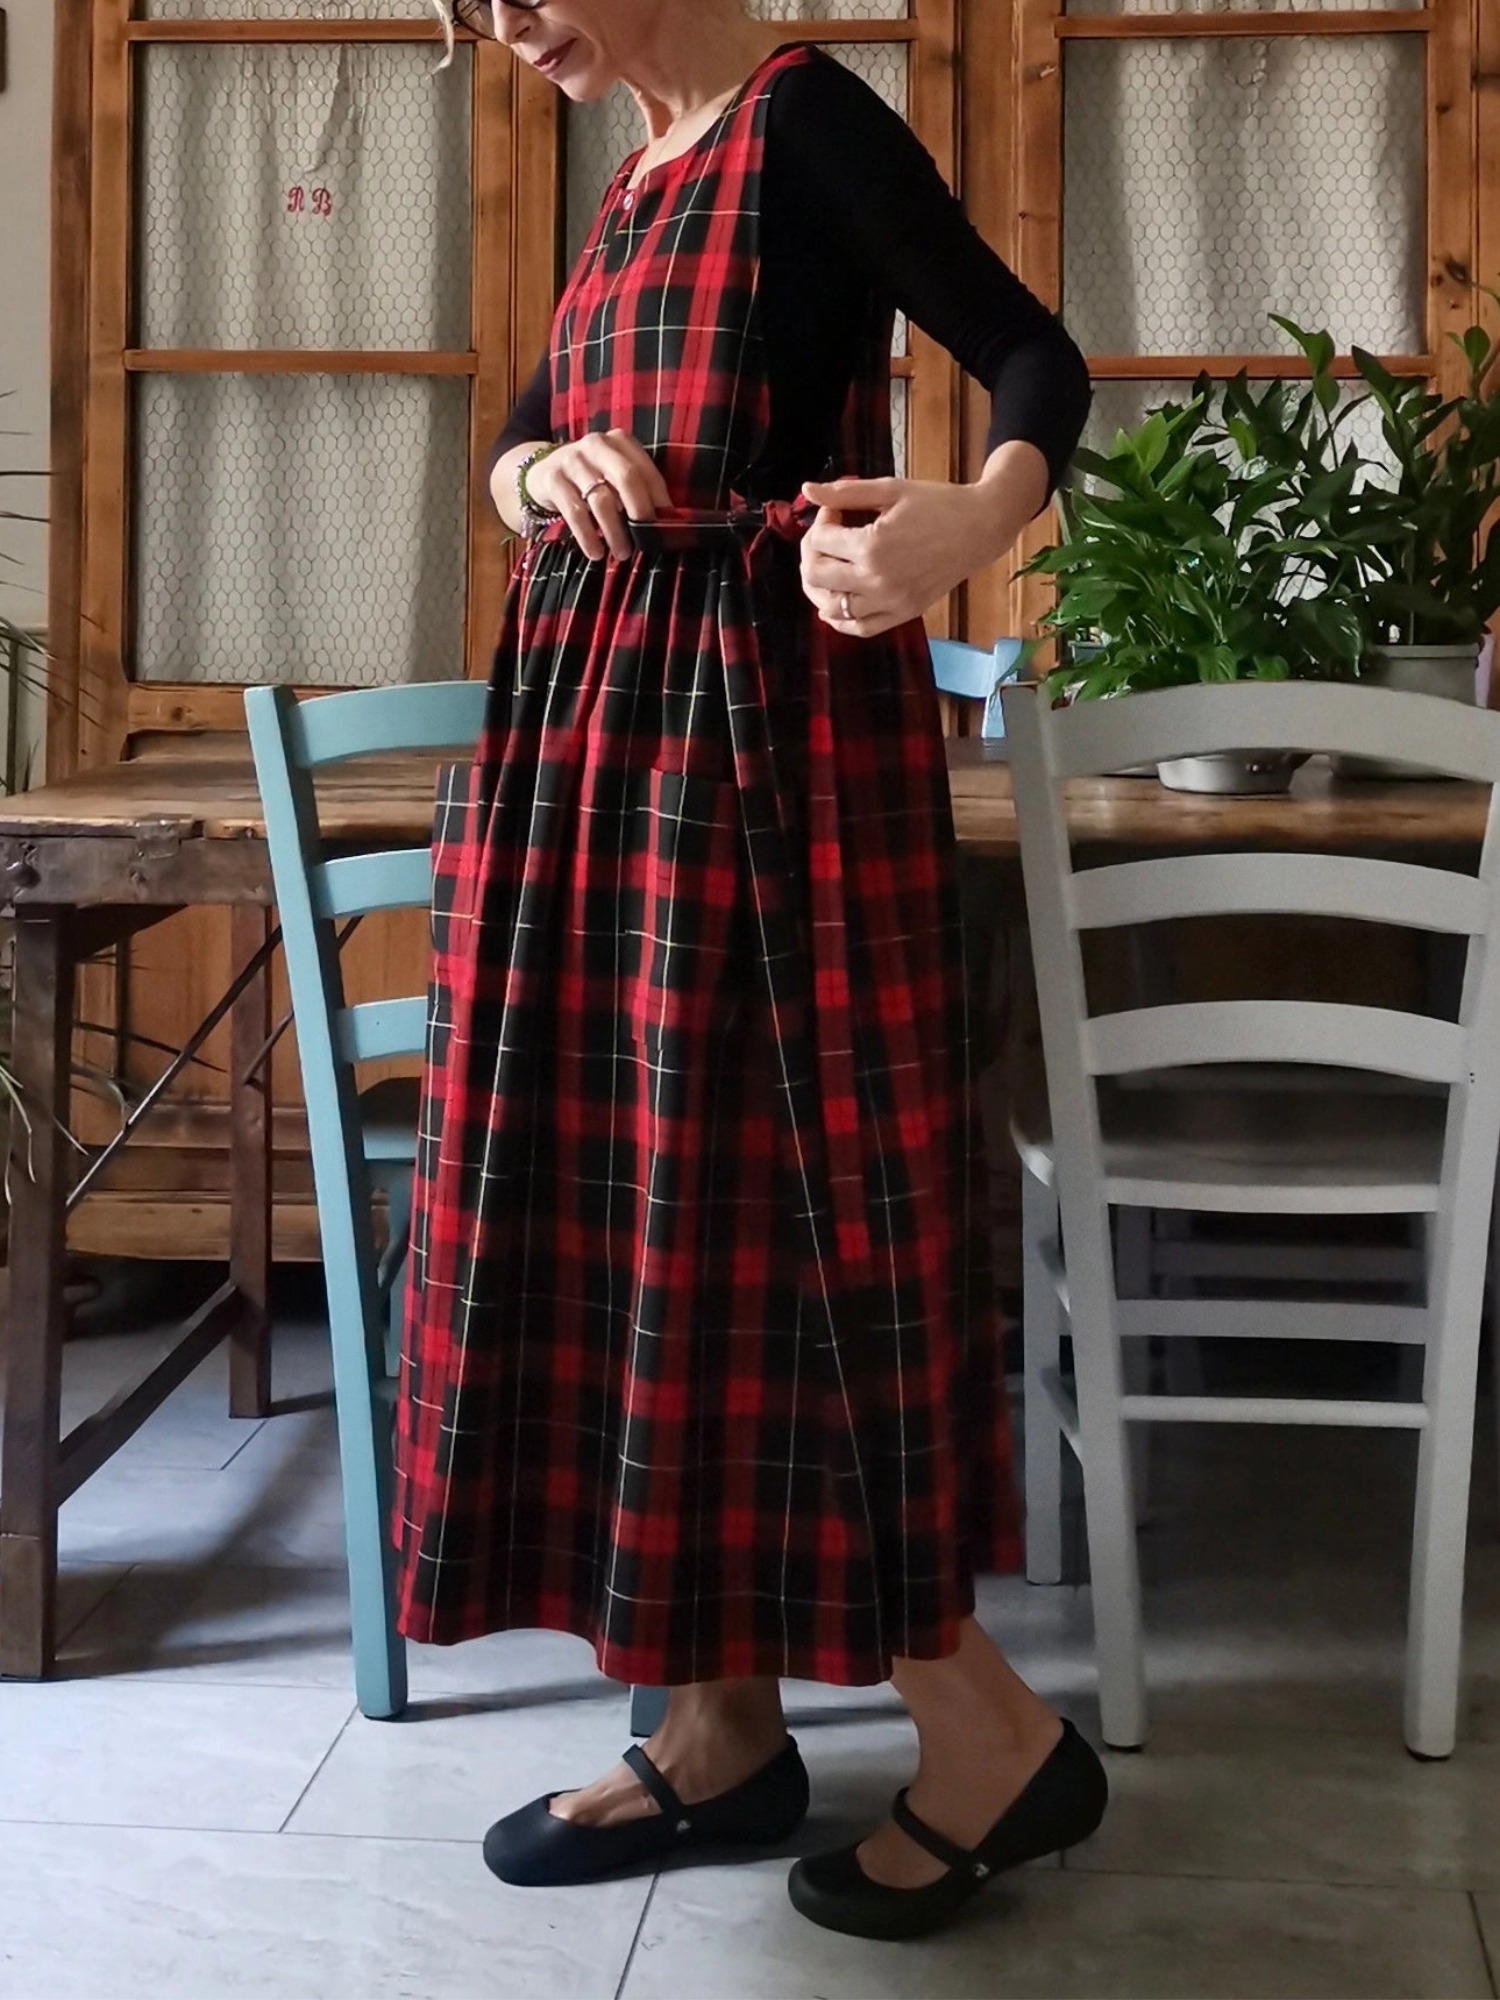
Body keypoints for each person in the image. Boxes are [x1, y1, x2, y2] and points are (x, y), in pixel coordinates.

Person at [397, 0, 1100, 1942]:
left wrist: (968, 522)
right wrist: (541, 482)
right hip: (599, 766)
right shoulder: (637, 174)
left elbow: (1036, 358)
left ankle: (991, 1735)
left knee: (791, 1227)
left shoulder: (805, 128)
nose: (505, 24)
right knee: (655, 1224)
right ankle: (716, 1725)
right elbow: (518, 438)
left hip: (756, 754)